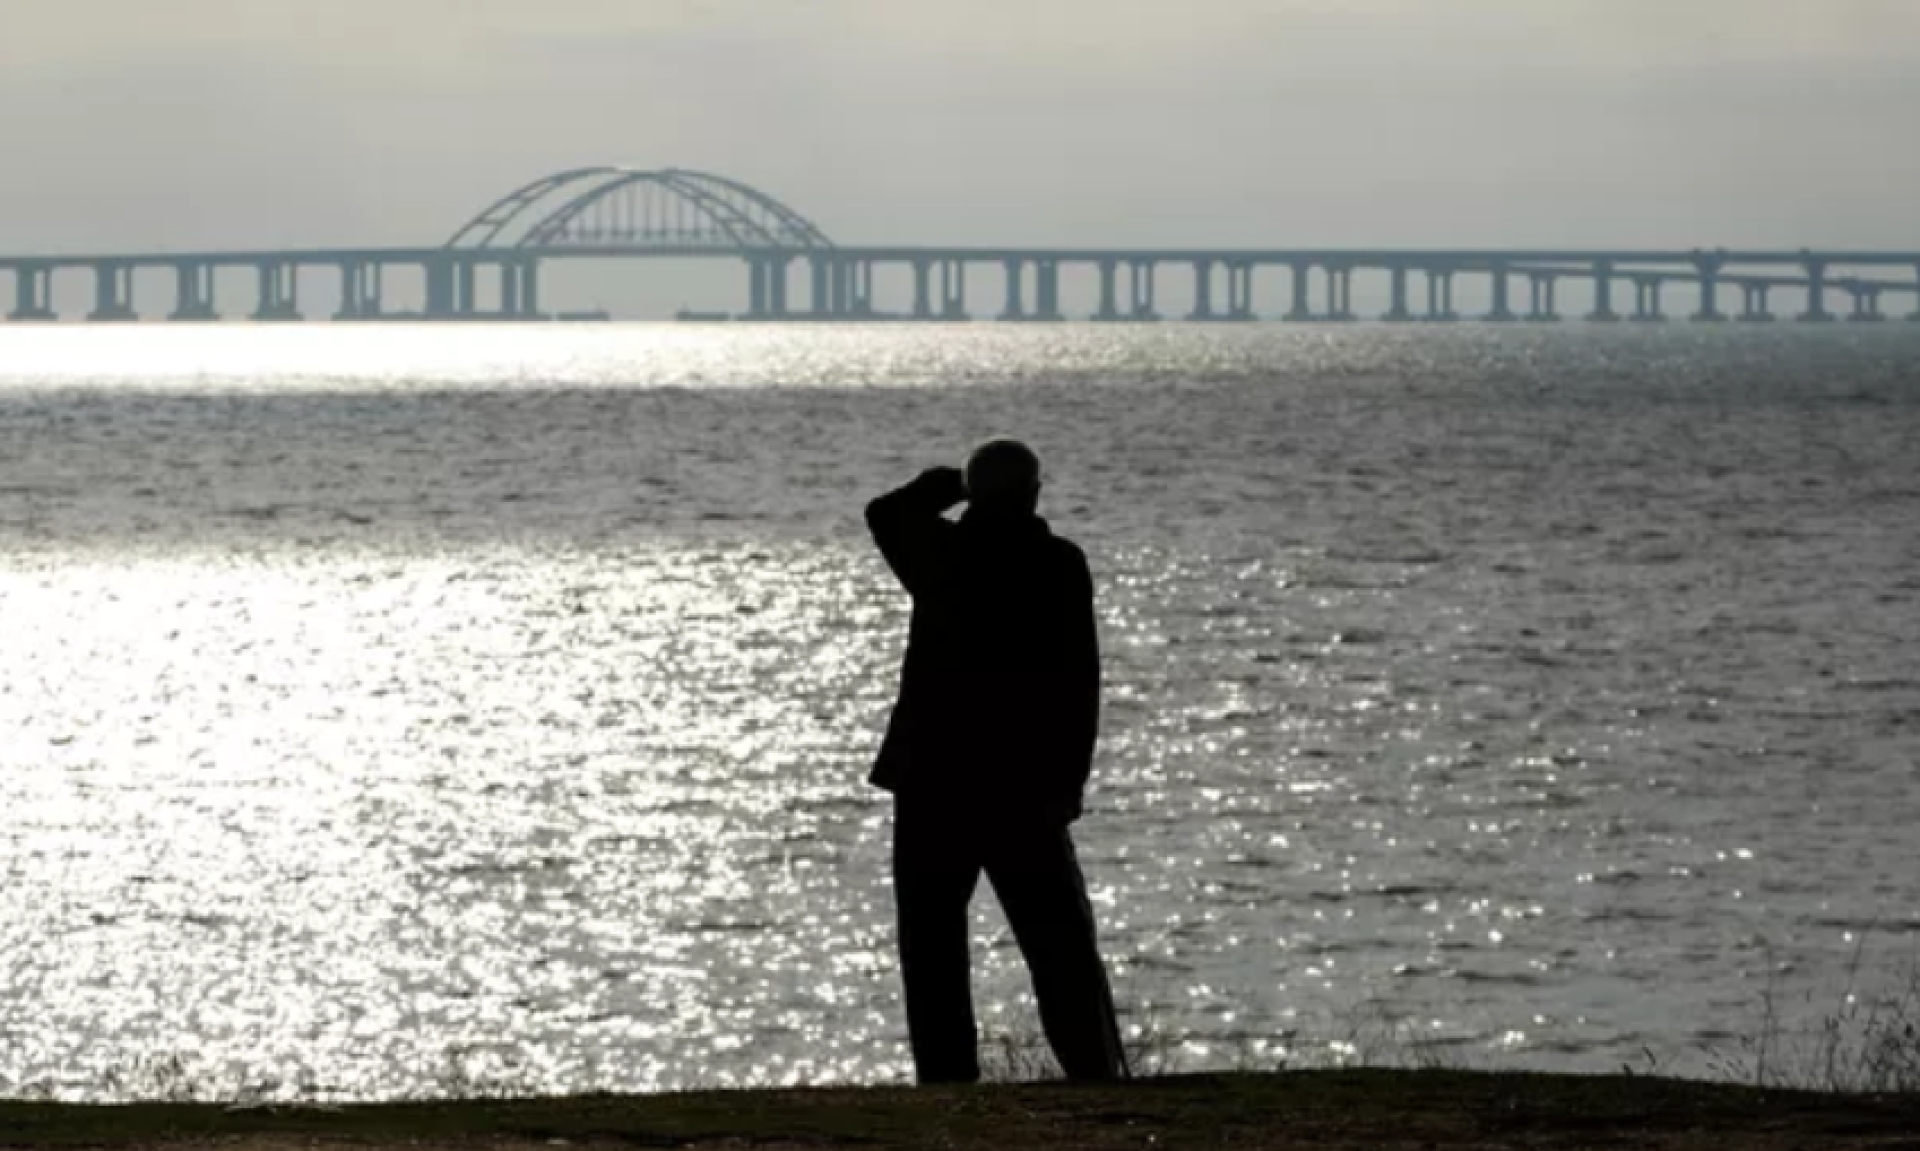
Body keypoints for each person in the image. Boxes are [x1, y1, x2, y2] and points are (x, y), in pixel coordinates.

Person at [864, 438, 1127, 1084]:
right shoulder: (1059, 564)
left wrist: (951, 483)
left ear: (975, 494)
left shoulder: (939, 552)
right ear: (1035, 493)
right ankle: (1094, 1071)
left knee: (931, 949)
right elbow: (1078, 681)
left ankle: (947, 1081)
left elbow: (885, 511)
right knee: (1060, 945)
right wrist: (1069, 780)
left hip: (932, 782)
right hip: (1023, 785)